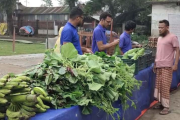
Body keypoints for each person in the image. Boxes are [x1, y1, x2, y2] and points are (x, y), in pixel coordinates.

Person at [153, 20, 179, 115]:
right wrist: (155, 63)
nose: (159, 29)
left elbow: (177, 49)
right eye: (159, 27)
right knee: (159, 86)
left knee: (165, 87)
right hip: (159, 66)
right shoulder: (160, 38)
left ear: (167, 27)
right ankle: (160, 104)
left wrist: (175, 64)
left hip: (167, 66)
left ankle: (166, 107)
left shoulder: (173, 37)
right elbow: (158, 51)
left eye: (162, 27)